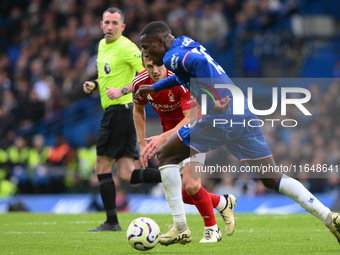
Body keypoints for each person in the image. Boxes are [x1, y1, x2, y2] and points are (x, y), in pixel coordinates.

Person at [136, 21, 340, 245]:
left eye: (146, 47)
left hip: (221, 115)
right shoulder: (185, 42)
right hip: (242, 111)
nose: (145, 52)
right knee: (272, 177)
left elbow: (200, 63)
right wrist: (155, 87)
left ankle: (181, 228)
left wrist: (212, 100)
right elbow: (187, 73)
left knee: (166, 155)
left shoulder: (169, 57)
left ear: (159, 41)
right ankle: (328, 217)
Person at [132, 53, 236, 243]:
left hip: (197, 132)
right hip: (172, 140)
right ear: (143, 65)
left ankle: (212, 230)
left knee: (192, 185)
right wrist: (141, 144)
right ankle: (223, 202)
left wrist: (163, 137)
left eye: (157, 66)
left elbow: (191, 118)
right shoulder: (140, 83)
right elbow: (138, 110)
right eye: (149, 66)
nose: (155, 71)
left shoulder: (178, 79)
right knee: (184, 194)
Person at [82, 8, 161, 232]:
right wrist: (95, 84)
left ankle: (111, 222)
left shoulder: (127, 47)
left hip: (120, 110)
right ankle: (171, 175)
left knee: (101, 166)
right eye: (107, 22)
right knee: (126, 174)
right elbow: (108, 75)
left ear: (122, 27)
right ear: (101, 24)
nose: (110, 26)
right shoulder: (100, 45)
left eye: (115, 23)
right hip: (121, 112)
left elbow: (146, 72)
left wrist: (124, 89)